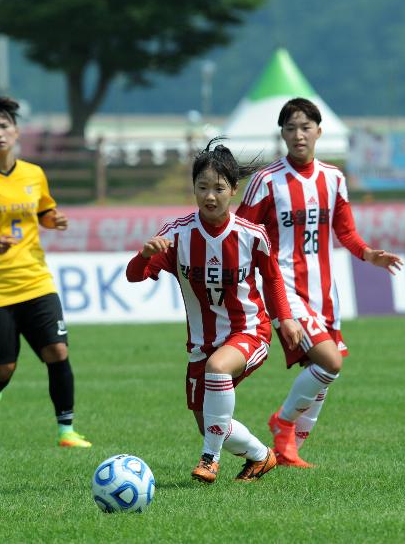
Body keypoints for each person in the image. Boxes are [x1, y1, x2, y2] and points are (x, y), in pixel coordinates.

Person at [236, 97, 403, 467]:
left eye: (305, 127)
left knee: (328, 368)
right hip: (284, 289)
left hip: (325, 293)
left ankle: (287, 445)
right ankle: (282, 423)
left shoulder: (334, 178)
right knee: (329, 362)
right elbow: (240, 234)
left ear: (319, 132)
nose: (299, 135)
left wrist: (371, 255)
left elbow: (346, 232)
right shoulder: (266, 182)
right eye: (291, 128)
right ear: (281, 134)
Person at [126, 138, 303, 483]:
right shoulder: (176, 235)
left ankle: (210, 458)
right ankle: (261, 456)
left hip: (249, 332)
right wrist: (145, 255)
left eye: (219, 188)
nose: (210, 195)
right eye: (202, 186)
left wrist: (287, 319)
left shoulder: (252, 235)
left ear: (234, 190)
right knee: (206, 420)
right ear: (193, 188)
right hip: (201, 343)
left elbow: (273, 280)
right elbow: (135, 276)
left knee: (218, 369)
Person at [0, 95, 90, 449]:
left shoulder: (34, 174)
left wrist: (52, 220)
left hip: (36, 279)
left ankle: (66, 431)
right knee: (4, 369)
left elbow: (43, 211)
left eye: (3, 125)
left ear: (16, 131)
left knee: (57, 352)